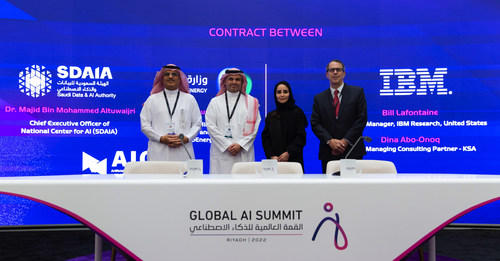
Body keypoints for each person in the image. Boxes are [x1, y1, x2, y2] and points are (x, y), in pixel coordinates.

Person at [311, 59, 368, 173]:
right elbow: (315, 123)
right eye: (332, 70)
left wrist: (345, 141)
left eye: (338, 70)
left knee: (354, 189)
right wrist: (330, 141)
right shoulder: (319, 98)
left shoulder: (357, 92)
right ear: (327, 74)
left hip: (353, 149)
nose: (335, 72)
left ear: (344, 73)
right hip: (329, 151)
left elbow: (361, 119)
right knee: (330, 190)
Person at [140, 64, 202, 161]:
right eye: (167, 74)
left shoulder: (190, 99)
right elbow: (145, 125)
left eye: (174, 74)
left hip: (183, 151)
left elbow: (197, 124)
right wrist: (160, 138)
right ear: (162, 78)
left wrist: (187, 138)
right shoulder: (152, 99)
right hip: (158, 153)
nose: (170, 77)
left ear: (180, 78)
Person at [205, 68, 261, 174]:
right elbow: (211, 126)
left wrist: (240, 145)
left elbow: (255, 128)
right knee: (220, 187)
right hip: (221, 154)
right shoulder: (215, 102)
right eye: (231, 79)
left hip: (243, 153)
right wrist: (227, 145)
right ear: (225, 81)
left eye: (237, 79)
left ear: (242, 82)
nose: (234, 82)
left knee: (243, 187)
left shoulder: (252, 102)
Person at [261, 81, 308, 170]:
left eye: (285, 92)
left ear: (290, 93)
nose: (282, 95)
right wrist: (271, 156)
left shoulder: (297, 112)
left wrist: (288, 152)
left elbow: (301, 137)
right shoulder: (271, 116)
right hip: (274, 162)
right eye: (279, 92)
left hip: (294, 160)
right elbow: (266, 139)